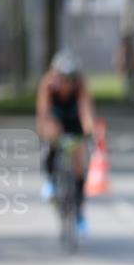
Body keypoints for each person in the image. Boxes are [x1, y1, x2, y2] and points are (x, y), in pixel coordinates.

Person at [36, 50, 95, 235]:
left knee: (80, 161)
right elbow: (43, 113)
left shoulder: (80, 85)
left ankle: (78, 213)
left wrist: (89, 131)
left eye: (70, 79)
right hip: (55, 118)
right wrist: (45, 133)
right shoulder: (48, 84)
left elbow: (86, 112)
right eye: (62, 79)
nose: (66, 84)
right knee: (53, 134)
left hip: (74, 120)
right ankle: (50, 181)